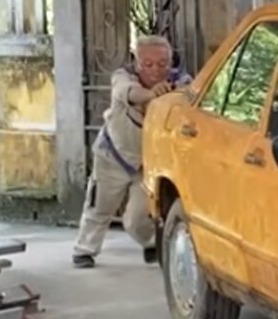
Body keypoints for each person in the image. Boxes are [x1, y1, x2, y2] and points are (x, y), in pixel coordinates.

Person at [72, 35, 191, 268]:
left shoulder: (182, 82)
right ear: (137, 62)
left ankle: (151, 244)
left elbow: (191, 98)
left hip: (148, 163)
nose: (156, 70)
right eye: (148, 64)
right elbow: (127, 92)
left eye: (162, 63)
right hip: (113, 155)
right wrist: (152, 95)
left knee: (138, 217)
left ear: (171, 61)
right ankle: (84, 250)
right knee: (99, 206)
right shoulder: (123, 77)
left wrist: (173, 95)